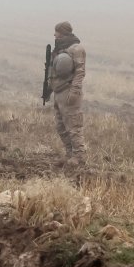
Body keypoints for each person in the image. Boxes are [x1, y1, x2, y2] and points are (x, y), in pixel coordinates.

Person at [48, 21, 86, 170]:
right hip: (59, 91)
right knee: (61, 126)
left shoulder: (76, 49)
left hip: (68, 91)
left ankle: (79, 157)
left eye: (56, 32)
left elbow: (80, 71)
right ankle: (70, 154)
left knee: (73, 125)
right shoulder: (60, 49)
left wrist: (75, 91)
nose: (54, 34)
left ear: (63, 32)